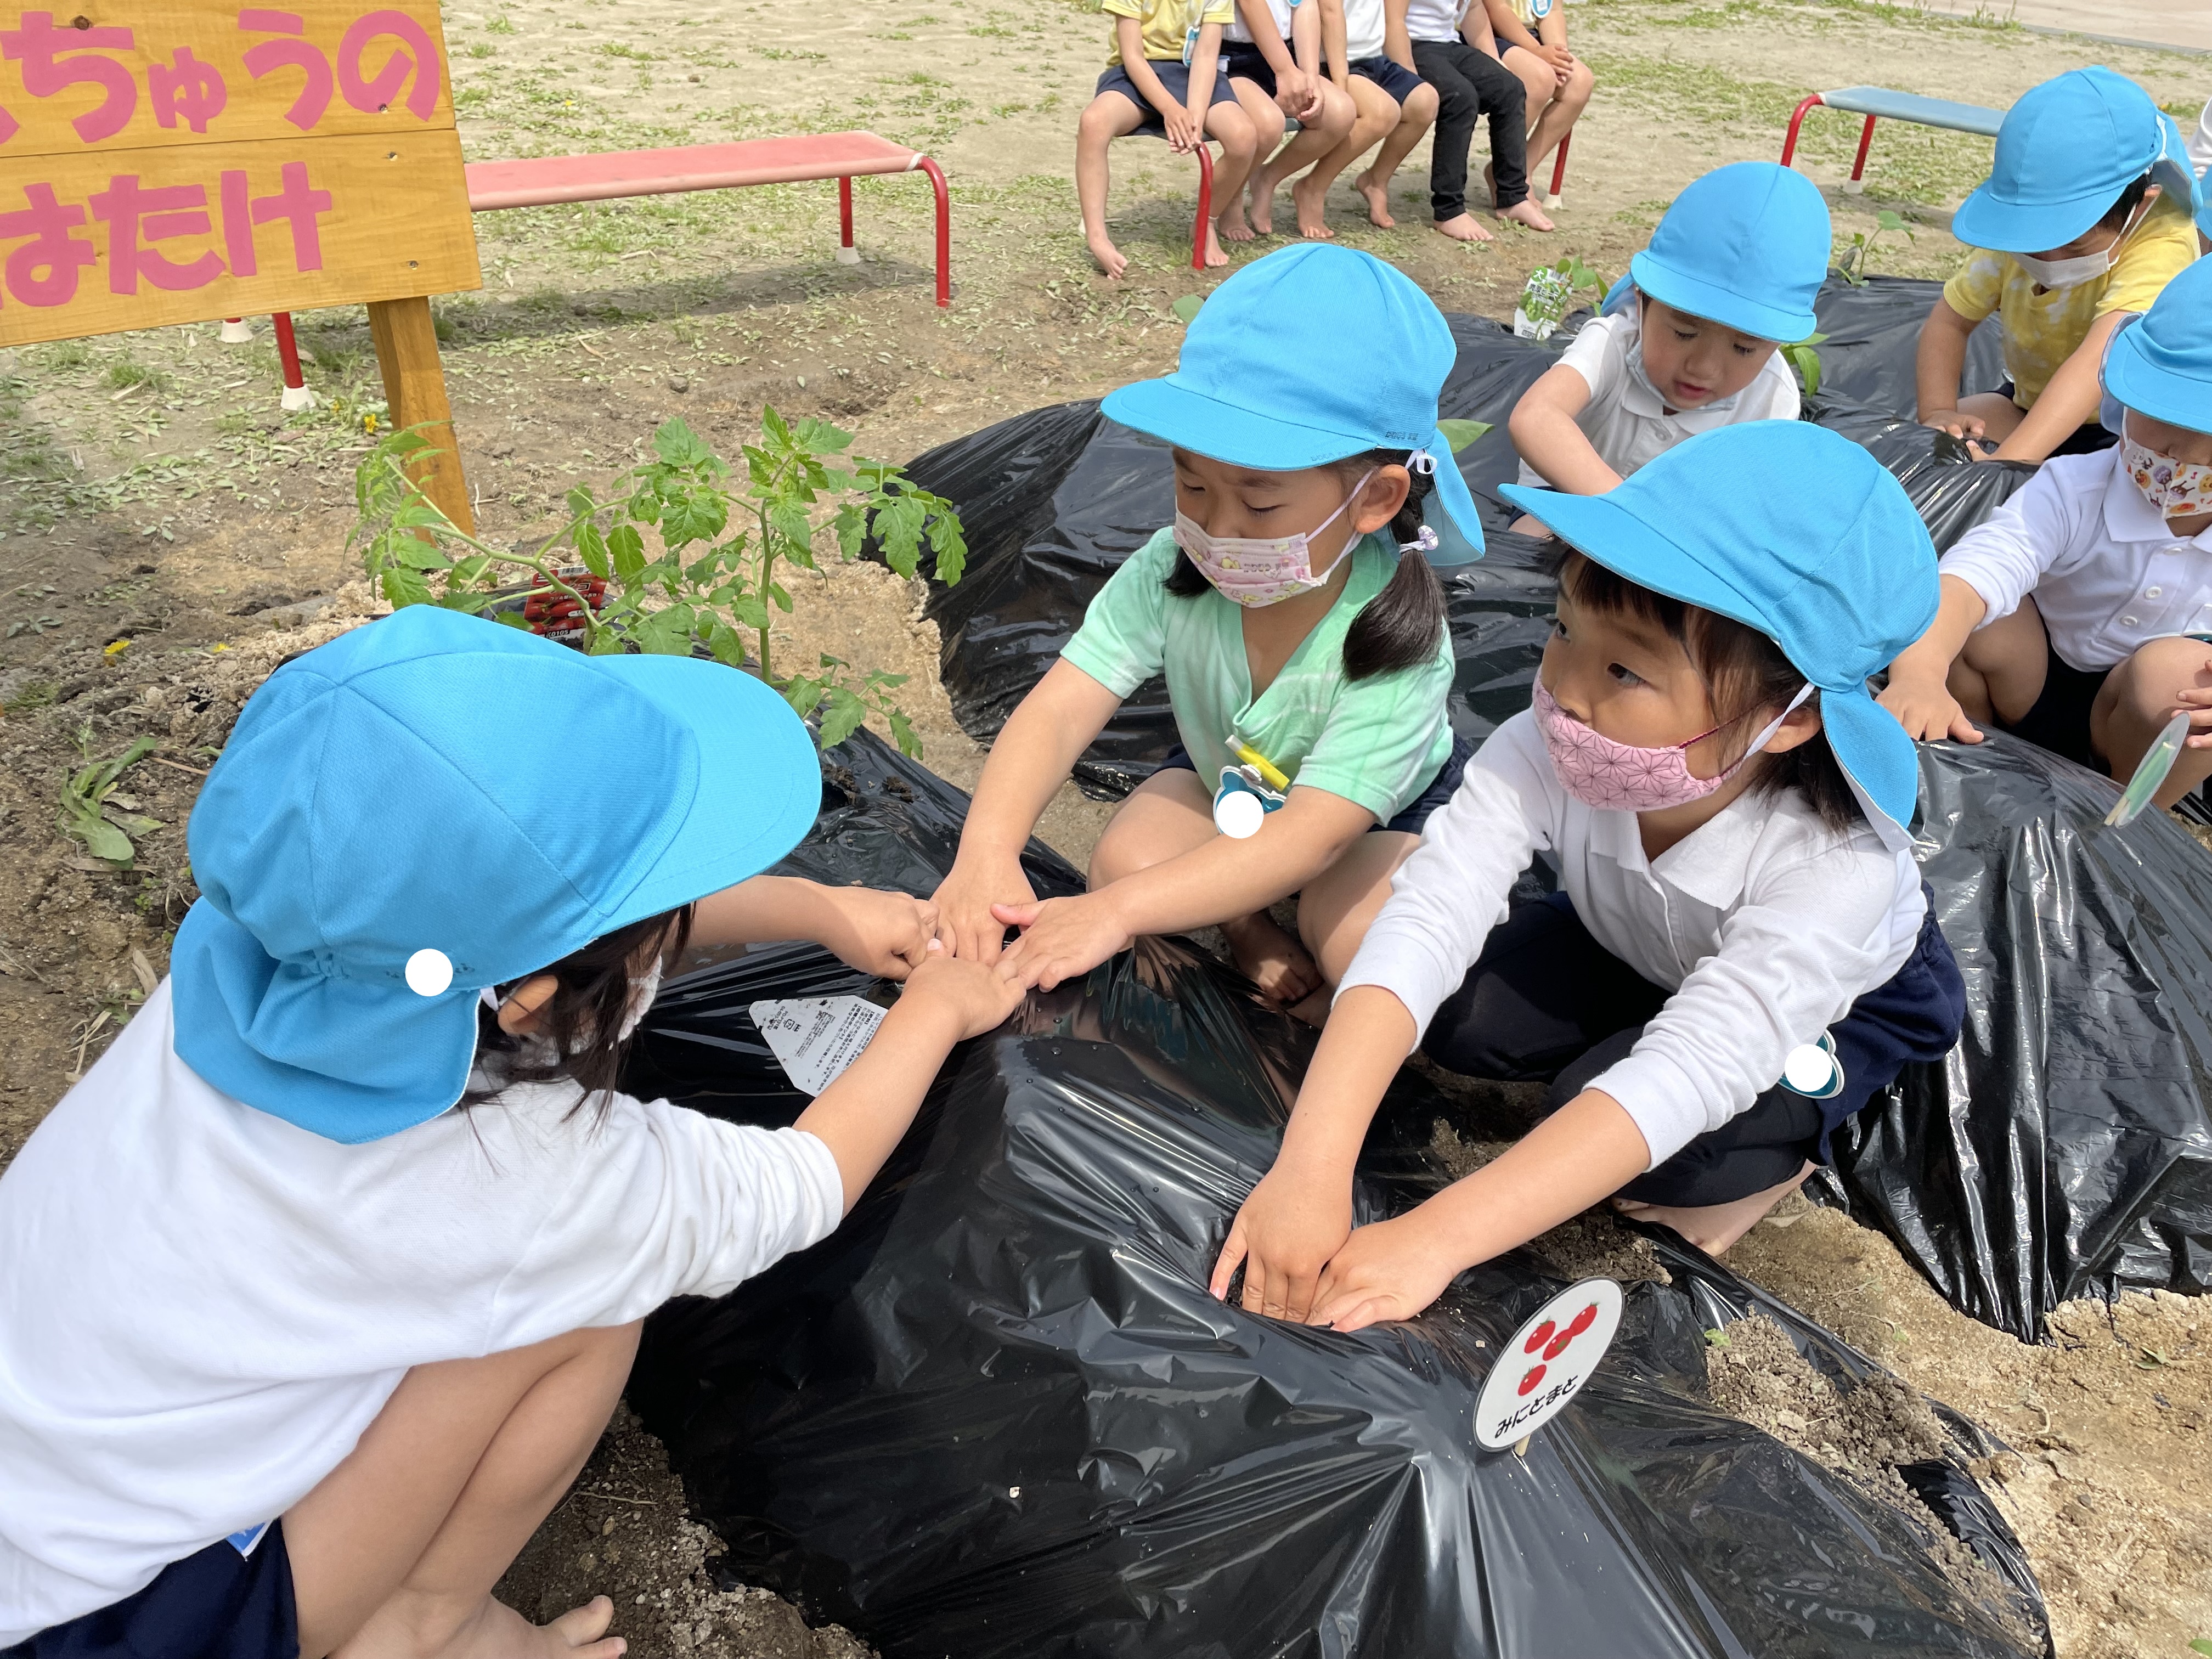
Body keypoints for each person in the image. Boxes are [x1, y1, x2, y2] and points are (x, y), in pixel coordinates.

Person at [0, 608, 1023, 1657]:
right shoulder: (527, 1171)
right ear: (535, 998)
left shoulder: (260, 953)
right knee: (586, 1307)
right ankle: (427, 1628)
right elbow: (801, 1183)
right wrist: (933, 1011)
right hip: (118, 1623)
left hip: (40, 1494)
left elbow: (522, 936)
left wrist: (811, 908)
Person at [1207, 421, 1967, 1329]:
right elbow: (1436, 905)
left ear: (1785, 716)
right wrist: (1310, 1166)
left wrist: (1432, 1238)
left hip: (1845, 1005)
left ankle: (1791, 1150)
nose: (1565, 687)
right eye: (1564, 628)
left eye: (1623, 669)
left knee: (1656, 1154)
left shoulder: (1835, 872)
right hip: (1638, 936)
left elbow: (1695, 1061)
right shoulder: (1557, 742)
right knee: (1456, 1018)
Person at [932, 244, 1487, 1019]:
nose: (1215, 525)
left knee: (1361, 938)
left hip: (1366, 819)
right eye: (1190, 482)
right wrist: (985, 852)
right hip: (1240, 778)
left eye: (1260, 506)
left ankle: (1323, 1009)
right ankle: (1244, 915)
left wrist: (1117, 917)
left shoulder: (1397, 643)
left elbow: (1311, 839)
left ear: (1375, 500)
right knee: (1126, 860)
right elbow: (1061, 709)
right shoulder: (1172, 568)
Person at [1883, 253, 2212, 808]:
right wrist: (1917, 677)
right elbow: (1972, 577)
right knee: (1972, 617)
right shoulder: (2075, 488)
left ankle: (2129, 822)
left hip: (2134, 725)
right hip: (2033, 684)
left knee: (2185, 682)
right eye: (2161, 414)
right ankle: (1979, 758)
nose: (2180, 452)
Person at [1507, 162, 1826, 532]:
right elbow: (1535, 418)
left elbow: (1751, 507)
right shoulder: (1615, 342)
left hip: (1682, 531)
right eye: (1684, 334)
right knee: (1536, 539)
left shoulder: (1773, 399)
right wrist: (1630, 518)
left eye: (1743, 349)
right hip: (1565, 497)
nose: (1704, 367)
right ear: (1643, 300)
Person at [1916, 66, 2199, 465]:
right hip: (2030, 406)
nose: (2045, 261)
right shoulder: (2021, 230)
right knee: (1932, 444)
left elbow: (2093, 365)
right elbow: (1950, 323)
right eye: (2032, 247)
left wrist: (2006, 464)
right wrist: (1938, 412)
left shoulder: (2162, 243)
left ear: (2142, 207)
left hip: (2125, 431)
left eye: (2073, 245)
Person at [1079, 0, 1262, 274]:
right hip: (1136, 74)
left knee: (1244, 136)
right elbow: (1132, 57)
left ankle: (1206, 221)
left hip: (1193, 75)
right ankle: (1097, 236)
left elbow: (1205, 57)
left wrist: (1195, 116)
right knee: (1093, 123)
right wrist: (1170, 109)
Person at [1401, 0, 1550, 243]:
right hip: (1409, 44)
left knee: (1510, 89)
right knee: (1461, 98)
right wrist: (1405, 68)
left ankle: (1512, 197)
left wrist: (1494, 62)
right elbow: (1392, 19)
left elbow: (1472, 9)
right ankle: (1448, 209)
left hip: (1448, 43)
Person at [1289, 0, 1440, 236]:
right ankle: (1312, 187)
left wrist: (1406, 68)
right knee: (1382, 114)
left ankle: (1375, 181)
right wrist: (1340, 83)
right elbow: (1330, 13)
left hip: (1374, 56)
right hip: (1331, 60)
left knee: (1424, 101)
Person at [1222, 0, 1359, 239]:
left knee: (1339, 113)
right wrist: (1285, 71)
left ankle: (1266, 178)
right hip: (1231, 56)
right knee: (1268, 123)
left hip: (1283, 53)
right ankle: (1230, 196)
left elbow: (1304, 5)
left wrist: (1310, 77)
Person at [1477, 0, 1592, 205]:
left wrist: (1558, 55)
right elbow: (1496, 9)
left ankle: (1521, 170)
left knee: (1579, 82)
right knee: (1539, 79)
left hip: (1531, 38)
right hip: (1484, 34)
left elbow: (1551, 11)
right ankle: (1510, 175)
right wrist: (1536, 51)